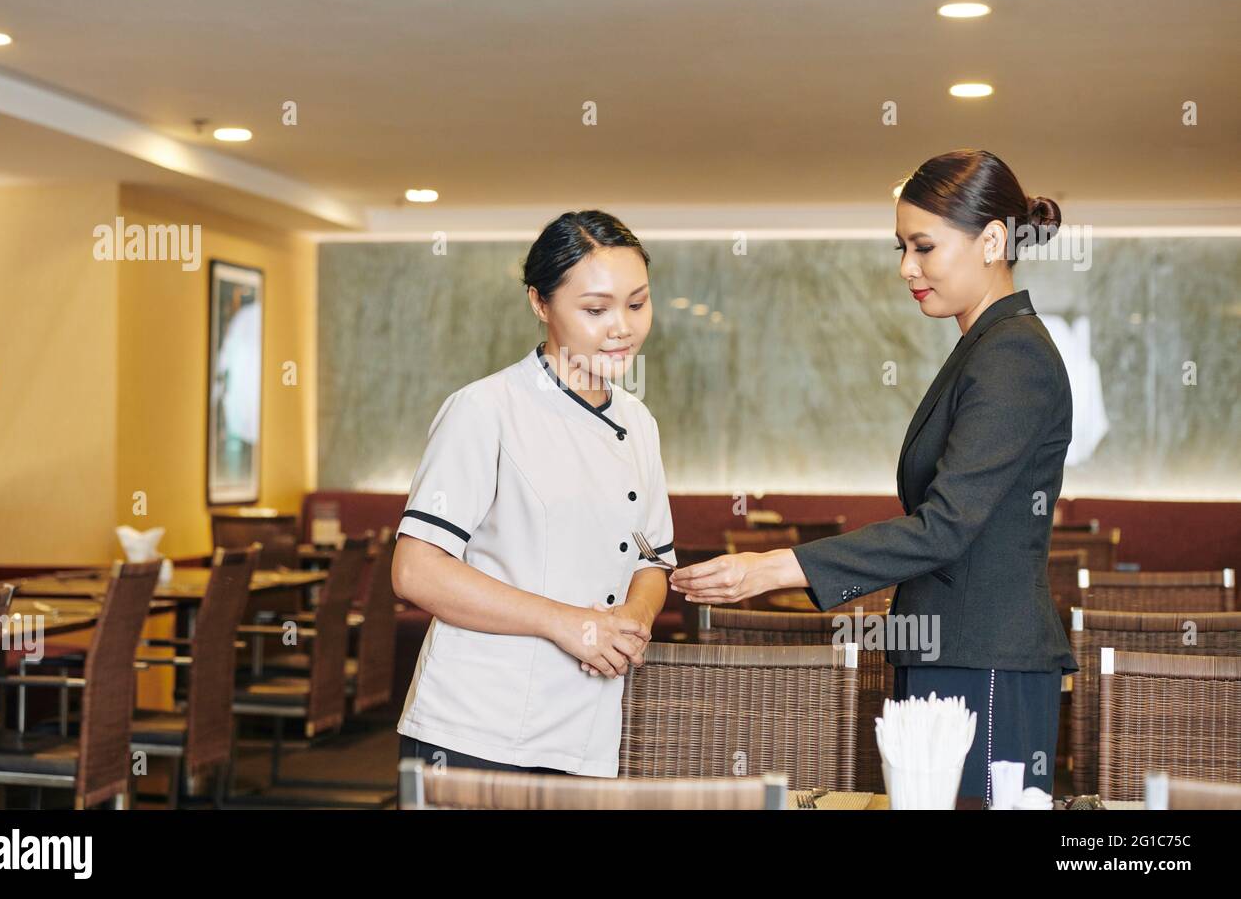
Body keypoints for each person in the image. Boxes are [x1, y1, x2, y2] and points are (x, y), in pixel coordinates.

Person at [671, 149, 1079, 804]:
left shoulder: (1013, 357)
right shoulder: (985, 348)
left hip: (985, 658)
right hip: (955, 650)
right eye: (900, 247)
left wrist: (775, 567)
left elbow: (944, 528)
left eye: (923, 247)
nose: (906, 269)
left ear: (994, 240)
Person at [393, 210, 676, 777]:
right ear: (539, 303)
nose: (621, 327)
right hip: (478, 726)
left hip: (589, 723)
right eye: (595, 310)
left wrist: (633, 622)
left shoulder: (638, 422)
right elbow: (416, 570)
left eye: (637, 303)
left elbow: (652, 559)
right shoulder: (486, 409)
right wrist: (566, 623)